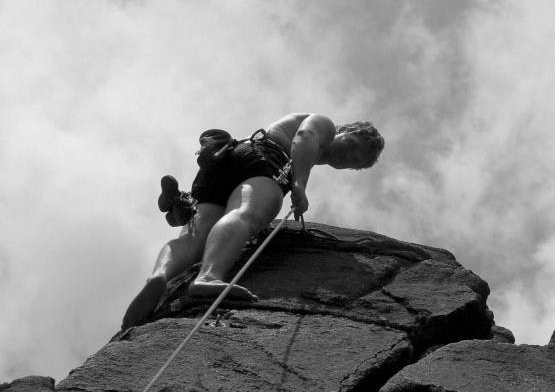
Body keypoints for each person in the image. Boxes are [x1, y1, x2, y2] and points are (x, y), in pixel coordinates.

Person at [121, 113, 384, 329]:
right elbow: (305, 136)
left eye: (355, 160)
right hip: (263, 158)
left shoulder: (311, 149)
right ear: (344, 130)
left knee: (194, 239)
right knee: (248, 213)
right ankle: (209, 277)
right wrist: (299, 184)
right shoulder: (324, 124)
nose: (348, 155)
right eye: (350, 144)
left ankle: (159, 276)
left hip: (224, 162)